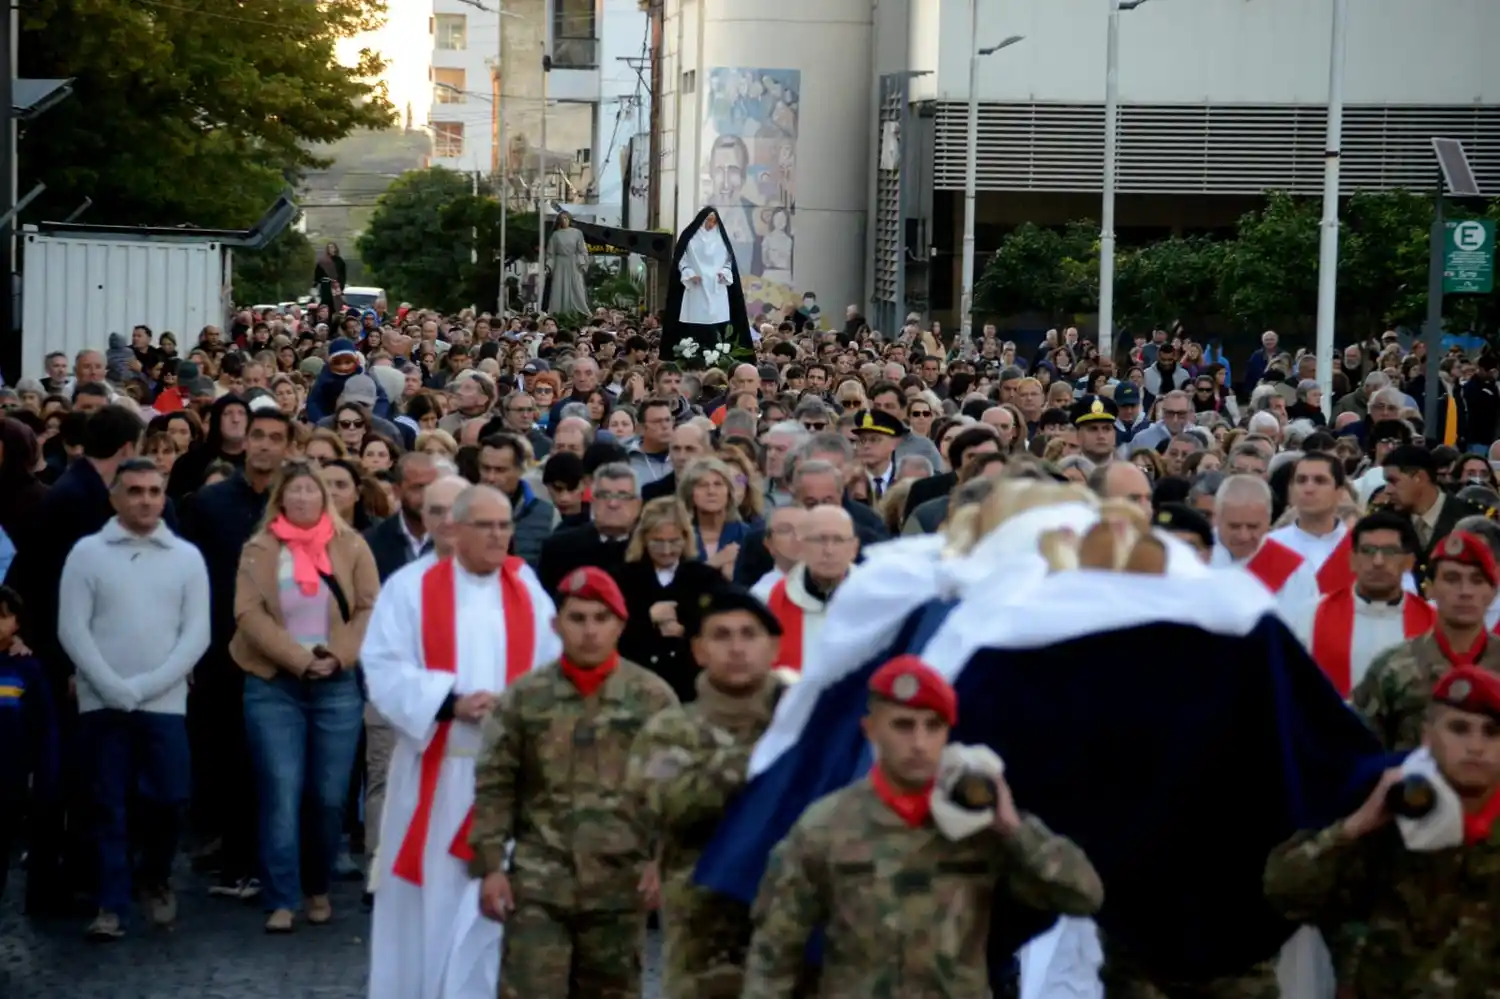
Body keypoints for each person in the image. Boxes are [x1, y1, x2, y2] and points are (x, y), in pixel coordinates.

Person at [739, 656, 1104, 998]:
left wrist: (1014, 826)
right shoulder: (826, 825)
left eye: (933, 726)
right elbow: (775, 951)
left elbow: (1083, 895)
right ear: (871, 729)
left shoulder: (978, 826)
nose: (919, 743)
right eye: (903, 725)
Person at [362, 483, 559, 999]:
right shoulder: (410, 588)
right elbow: (382, 667)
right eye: (485, 526)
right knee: (434, 907)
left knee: (494, 912)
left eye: (504, 526)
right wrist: (450, 701)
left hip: (510, 774)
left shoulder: (527, 588)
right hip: (439, 768)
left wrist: (521, 710)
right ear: (455, 529)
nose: (498, 536)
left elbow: (553, 667)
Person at [471, 566, 678, 999]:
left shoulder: (652, 698)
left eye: (601, 619)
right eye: (578, 618)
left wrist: (666, 863)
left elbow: (676, 790)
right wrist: (491, 867)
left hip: (619, 884)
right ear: (556, 624)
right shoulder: (525, 697)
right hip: (539, 882)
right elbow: (496, 783)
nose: (589, 631)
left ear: (621, 625)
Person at [1264, 666, 1500, 995]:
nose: (1476, 746)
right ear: (1427, 737)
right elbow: (1284, 894)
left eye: (1491, 732)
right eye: (1459, 728)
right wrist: (1354, 827)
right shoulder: (1382, 807)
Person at [56, 458, 209, 940]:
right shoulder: (86, 553)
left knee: (169, 797)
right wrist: (109, 684)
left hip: (163, 702)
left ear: (164, 495)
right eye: (135, 490)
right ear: (115, 497)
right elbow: (72, 628)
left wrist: (147, 685)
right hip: (102, 702)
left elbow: (197, 633)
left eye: (154, 490)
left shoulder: (186, 558)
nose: (145, 499)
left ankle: (155, 875)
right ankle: (111, 903)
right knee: (106, 803)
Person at [230, 460, 380, 932]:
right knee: (281, 791)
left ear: (324, 498)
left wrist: (336, 656)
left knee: (329, 796)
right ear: (280, 498)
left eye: (309, 492)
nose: (301, 499)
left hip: (336, 684)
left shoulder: (351, 545)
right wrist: (298, 658)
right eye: (292, 492)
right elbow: (249, 614)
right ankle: (282, 895)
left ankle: (318, 885)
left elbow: (368, 608)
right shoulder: (259, 548)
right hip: (275, 684)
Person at [625, 585, 790, 999]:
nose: (736, 648)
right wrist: (766, 759)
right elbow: (673, 802)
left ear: (773, 646)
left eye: (749, 634)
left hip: (793, 939)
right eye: (721, 635)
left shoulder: (806, 723)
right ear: (698, 650)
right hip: (704, 948)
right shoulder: (670, 731)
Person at [1354, 530, 1500, 752]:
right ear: (1430, 588)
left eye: (1477, 580)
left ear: (1492, 592)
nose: (1465, 591)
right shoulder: (1392, 668)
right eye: (1452, 579)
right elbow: (1361, 754)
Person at [1286, 511, 1435, 697]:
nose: (1378, 562)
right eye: (1368, 551)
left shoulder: (1433, 622)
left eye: (1389, 552)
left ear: (1408, 562)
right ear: (1352, 560)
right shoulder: (1310, 617)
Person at [612, 497, 726, 703]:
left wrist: (685, 631)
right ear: (644, 538)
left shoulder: (706, 579)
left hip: (692, 692)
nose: (666, 551)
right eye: (658, 542)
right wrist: (648, 619)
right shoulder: (623, 578)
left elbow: (721, 630)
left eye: (674, 541)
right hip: (634, 690)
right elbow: (611, 633)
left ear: (686, 537)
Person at [765, 505, 858, 672]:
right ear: (801, 546)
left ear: (854, 548)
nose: (829, 551)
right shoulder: (773, 598)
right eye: (819, 540)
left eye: (838, 540)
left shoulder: (875, 600)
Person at [662, 207, 752, 361]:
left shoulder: (721, 239)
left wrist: (724, 272)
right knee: (692, 324)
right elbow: (681, 260)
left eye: (714, 221)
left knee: (718, 326)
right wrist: (690, 274)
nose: (711, 224)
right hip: (695, 289)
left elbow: (729, 262)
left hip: (717, 289)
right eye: (708, 220)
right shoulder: (690, 238)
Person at [543, 212, 591, 316]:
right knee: (558, 287)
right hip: (560, 264)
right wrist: (549, 266)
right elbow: (551, 254)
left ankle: (580, 311)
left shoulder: (577, 233)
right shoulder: (556, 235)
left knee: (577, 287)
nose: (564, 221)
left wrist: (583, 264)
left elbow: (582, 251)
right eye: (561, 219)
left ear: (569, 219)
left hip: (574, 263)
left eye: (566, 218)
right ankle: (557, 312)